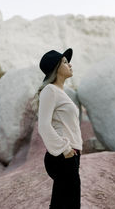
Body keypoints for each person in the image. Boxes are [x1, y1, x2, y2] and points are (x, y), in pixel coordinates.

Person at [37, 47, 83, 209]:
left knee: (67, 203)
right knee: (65, 205)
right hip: (62, 156)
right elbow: (43, 125)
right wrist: (65, 149)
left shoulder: (60, 92)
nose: (69, 64)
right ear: (55, 68)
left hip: (70, 155)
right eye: (64, 62)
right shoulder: (50, 90)